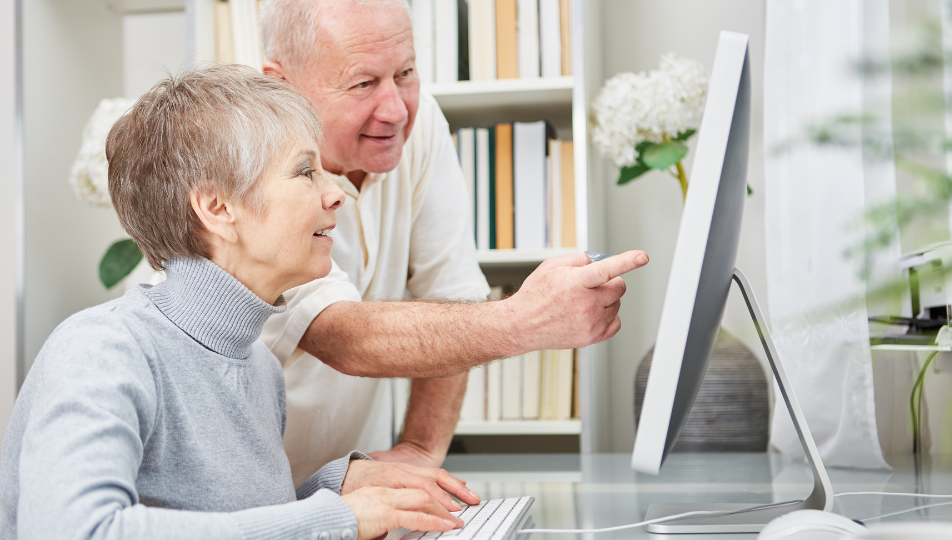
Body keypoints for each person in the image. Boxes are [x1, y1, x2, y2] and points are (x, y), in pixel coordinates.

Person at [0, 64, 480, 540]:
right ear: (217, 208)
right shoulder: (103, 349)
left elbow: (226, 518)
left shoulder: (258, 367)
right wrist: (338, 519)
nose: (336, 194)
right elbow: (74, 530)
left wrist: (335, 488)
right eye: (305, 171)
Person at [258, 0, 649, 486]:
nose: (397, 109)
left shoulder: (417, 128)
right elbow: (345, 337)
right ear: (280, 85)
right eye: (362, 83)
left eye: (405, 72)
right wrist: (525, 320)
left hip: (352, 491)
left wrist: (420, 450)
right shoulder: (248, 168)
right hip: (251, 501)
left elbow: (453, 294)